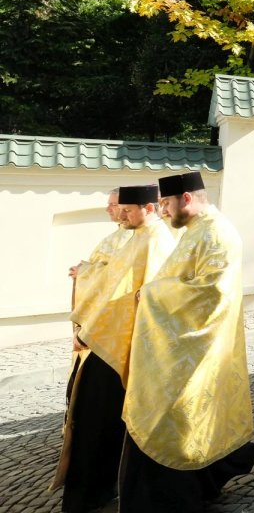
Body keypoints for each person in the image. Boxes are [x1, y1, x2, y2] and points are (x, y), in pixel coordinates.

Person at [120, 171, 254, 512]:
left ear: (186, 199)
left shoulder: (217, 233)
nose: (162, 211)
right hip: (180, 343)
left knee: (170, 414)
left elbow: (209, 292)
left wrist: (151, 294)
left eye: (166, 203)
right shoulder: (196, 229)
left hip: (195, 345)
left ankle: (168, 497)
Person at [53, 185, 171, 513]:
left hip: (118, 345)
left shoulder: (156, 240)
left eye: (126, 209)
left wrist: (89, 333)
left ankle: (94, 492)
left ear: (149, 207)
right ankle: (95, 489)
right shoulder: (135, 235)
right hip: (105, 340)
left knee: (99, 419)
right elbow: (109, 284)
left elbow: (131, 298)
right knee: (93, 418)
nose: (119, 214)